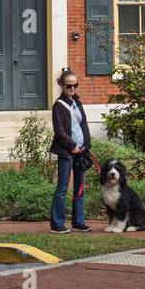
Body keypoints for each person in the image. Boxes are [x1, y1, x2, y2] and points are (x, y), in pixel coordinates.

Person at [49, 68, 93, 233]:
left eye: (75, 85)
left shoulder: (77, 102)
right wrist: (72, 145)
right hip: (66, 152)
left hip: (81, 152)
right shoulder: (58, 106)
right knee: (62, 188)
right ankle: (57, 224)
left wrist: (86, 144)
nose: (72, 88)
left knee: (80, 188)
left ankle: (78, 221)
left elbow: (84, 125)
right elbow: (59, 131)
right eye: (69, 86)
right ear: (61, 85)